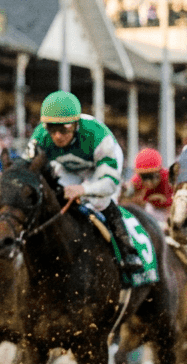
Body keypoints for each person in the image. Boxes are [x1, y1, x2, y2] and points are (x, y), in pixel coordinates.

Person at [24, 90, 144, 275]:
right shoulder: (40, 136)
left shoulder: (98, 136)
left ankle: (128, 251)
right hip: (69, 167)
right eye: (51, 129)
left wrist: (83, 189)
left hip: (100, 168)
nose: (57, 136)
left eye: (64, 129)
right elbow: (27, 171)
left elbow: (109, 184)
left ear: (76, 125)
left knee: (100, 201)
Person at [130, 147, 173, 215]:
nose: (148, 182)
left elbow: (172, 209)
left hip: (167, 213)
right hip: (148, 214)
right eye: (144, 177)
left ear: (159, 171)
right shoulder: (137, 181)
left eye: (151, 176)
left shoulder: (168, 180)